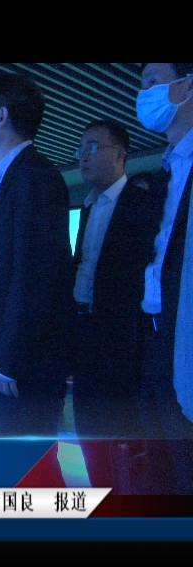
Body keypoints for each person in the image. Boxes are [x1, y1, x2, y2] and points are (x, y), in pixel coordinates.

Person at [0, 73, 74, 438]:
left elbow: (36, 275)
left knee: (27, 462)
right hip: (5, 359)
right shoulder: (15, 175)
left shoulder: (35, 177)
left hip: (22, 365)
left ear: (2, 116)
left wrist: (9, 358)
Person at [71, 121, 164, 439]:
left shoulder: (141, 202)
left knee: (119, 434)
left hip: (121, 339)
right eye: (81, 149)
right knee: (86, 427)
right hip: (83, 330)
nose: (84, 156)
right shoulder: (88, 206)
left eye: (93, 147)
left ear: (120, 154)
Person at [136, 63, 193, 494]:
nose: (143, 95)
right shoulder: (167, 170)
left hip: (184, 338)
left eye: (153, 83)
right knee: (165, 472)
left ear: (186, 85)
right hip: (156, 337)